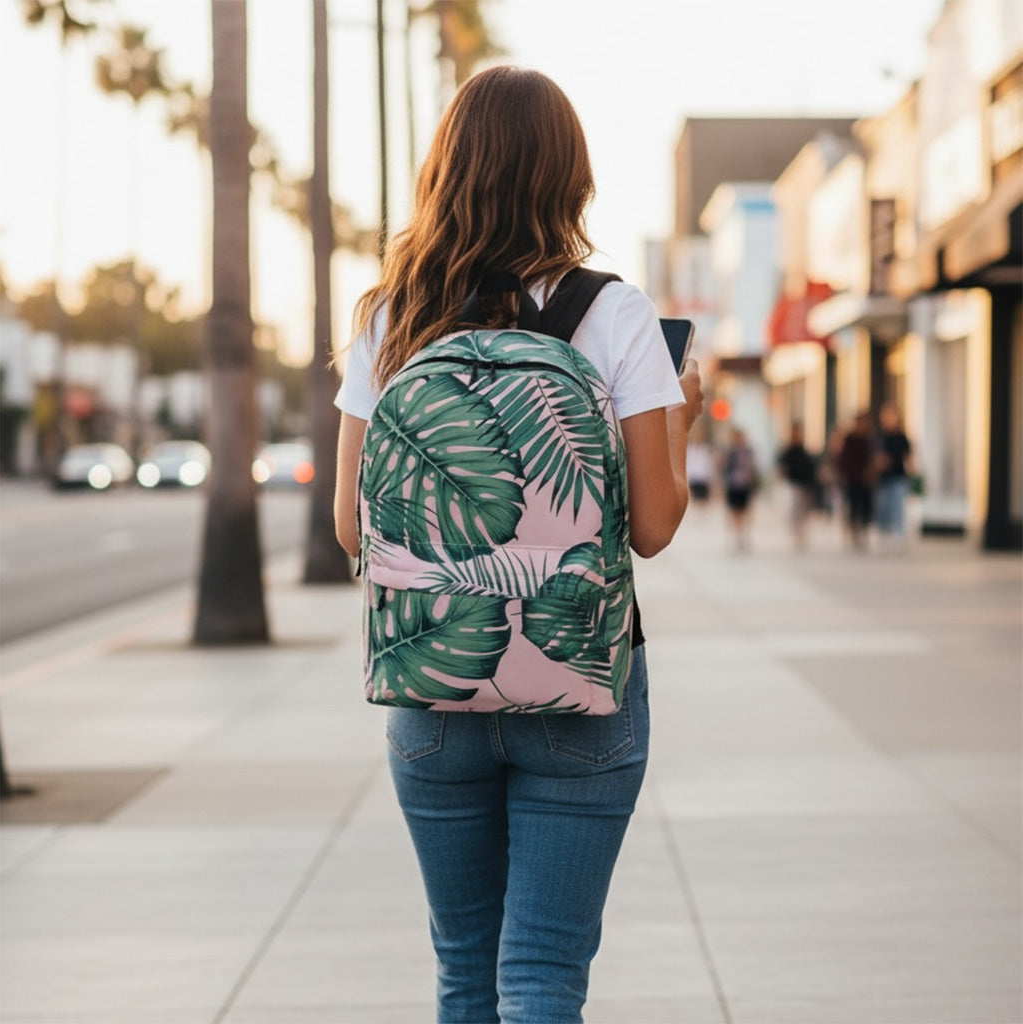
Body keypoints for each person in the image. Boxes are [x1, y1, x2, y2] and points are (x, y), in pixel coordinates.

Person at [332, 66, 704, 1024]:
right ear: (568, 176)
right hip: (581, 679)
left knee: (464, 971)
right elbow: (656, 529)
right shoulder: (616, 313)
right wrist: (682, 424)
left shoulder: (390, 317)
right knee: (540, 976)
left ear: (445, 171)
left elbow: (350, 529)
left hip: (432, 679)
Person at [874, 403, 914, 550]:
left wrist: (912, 472)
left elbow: (908, 456)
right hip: (883, 478)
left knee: (898, 506)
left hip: (899, 476)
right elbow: (874, 456)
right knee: (884, 507)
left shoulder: (901, 436)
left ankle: (898, 535)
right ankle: (883, 534)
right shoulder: (880, 436)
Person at [837, 410, 876, 550]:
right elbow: (843, 459)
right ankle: (855, 534)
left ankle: (863, 533)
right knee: (853, 507)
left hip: (866, 480)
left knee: (866, 507)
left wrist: (871, 472)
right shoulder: (849, 438)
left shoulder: (869, 439)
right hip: (852, 479)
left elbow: (874, 458)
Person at [776, 421, 817, 551]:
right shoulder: (788, 450)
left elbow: (811, 466)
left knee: (803, 510)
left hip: (805, 483)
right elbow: (781, 466)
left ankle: (802, 532)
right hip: (793, 483)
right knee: (794, 509)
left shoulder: (805, 450)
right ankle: (796, 532)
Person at [721, 426, 759, 551]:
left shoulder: (748, 451)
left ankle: (743, 534)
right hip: (733, 485)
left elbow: (753, 469)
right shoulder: (730, 452)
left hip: (745, 485)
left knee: (744, 511)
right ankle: (738, 534)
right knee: (735, 511)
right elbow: (724, 469)